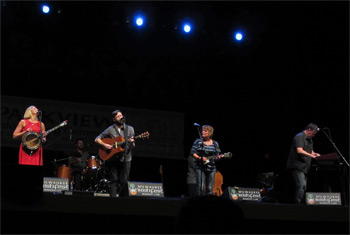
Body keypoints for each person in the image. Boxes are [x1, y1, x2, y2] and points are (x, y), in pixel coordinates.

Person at [95, 109, 135, 197]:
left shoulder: (130, 129)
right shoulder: (110, 129)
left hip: (126, 157)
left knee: (124, 181)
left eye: (121, 115)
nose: (120, 117)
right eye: (118, 116)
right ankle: (113, 201)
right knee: (114, 180)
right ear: (114, 119)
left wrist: (131, 143)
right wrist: (105, 145)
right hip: (114, 158)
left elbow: (132, 146)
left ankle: (122, 202)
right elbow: (97, 139)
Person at [12, 105, 46, 205]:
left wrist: (43, 138)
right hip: (25, 150)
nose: (37, 109)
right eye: (34, 108)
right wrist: (24, 132)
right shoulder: (23, 122)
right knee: (25, 171)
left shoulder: (41, 124)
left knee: (36, 172)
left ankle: (35, 193)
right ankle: (22, 192)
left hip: (37, 150)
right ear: (29, 111)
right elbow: (14, 135)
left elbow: (44, 139)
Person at [286, 123, 321, 204]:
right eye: (313, 133)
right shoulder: (299, 137)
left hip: (304, 167)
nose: (313, 135)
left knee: (304, 187)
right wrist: (312, 156)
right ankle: (299, 206)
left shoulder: (309, 139)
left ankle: (301, 204)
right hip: (297, 165)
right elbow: (299, 150)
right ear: (308, 130)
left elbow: (310, 150)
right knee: (301, 185)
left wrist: (315, 154)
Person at [188, 125, 223, 196]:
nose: (203, 132)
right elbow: (192, 152)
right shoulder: (198, 141)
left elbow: (217, 155)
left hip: (211, 168)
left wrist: (219, 157)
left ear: (210, 133)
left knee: (210, 188)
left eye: (205, 131)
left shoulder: (215, 143)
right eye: (202, 131)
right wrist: (199, 158)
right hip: (200, 167)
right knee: (200, 187)